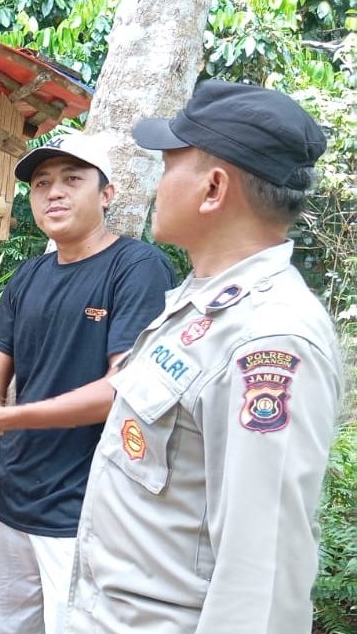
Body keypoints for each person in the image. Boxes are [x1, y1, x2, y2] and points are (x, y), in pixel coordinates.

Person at [65, 80, 342, 633]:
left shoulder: (268, 340)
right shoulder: (198, 306)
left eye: (170, 164)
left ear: (213, 188)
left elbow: (261, 579)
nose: (158, 181)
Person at [0, 132, 175, 634]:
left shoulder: (137, 268)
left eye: (72, 180)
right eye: (42, 184)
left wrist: (6, 419)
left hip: (87, 508)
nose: (54, 193)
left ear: (106, 194)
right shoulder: (28, 277)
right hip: (9, 499)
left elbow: (120, 389)